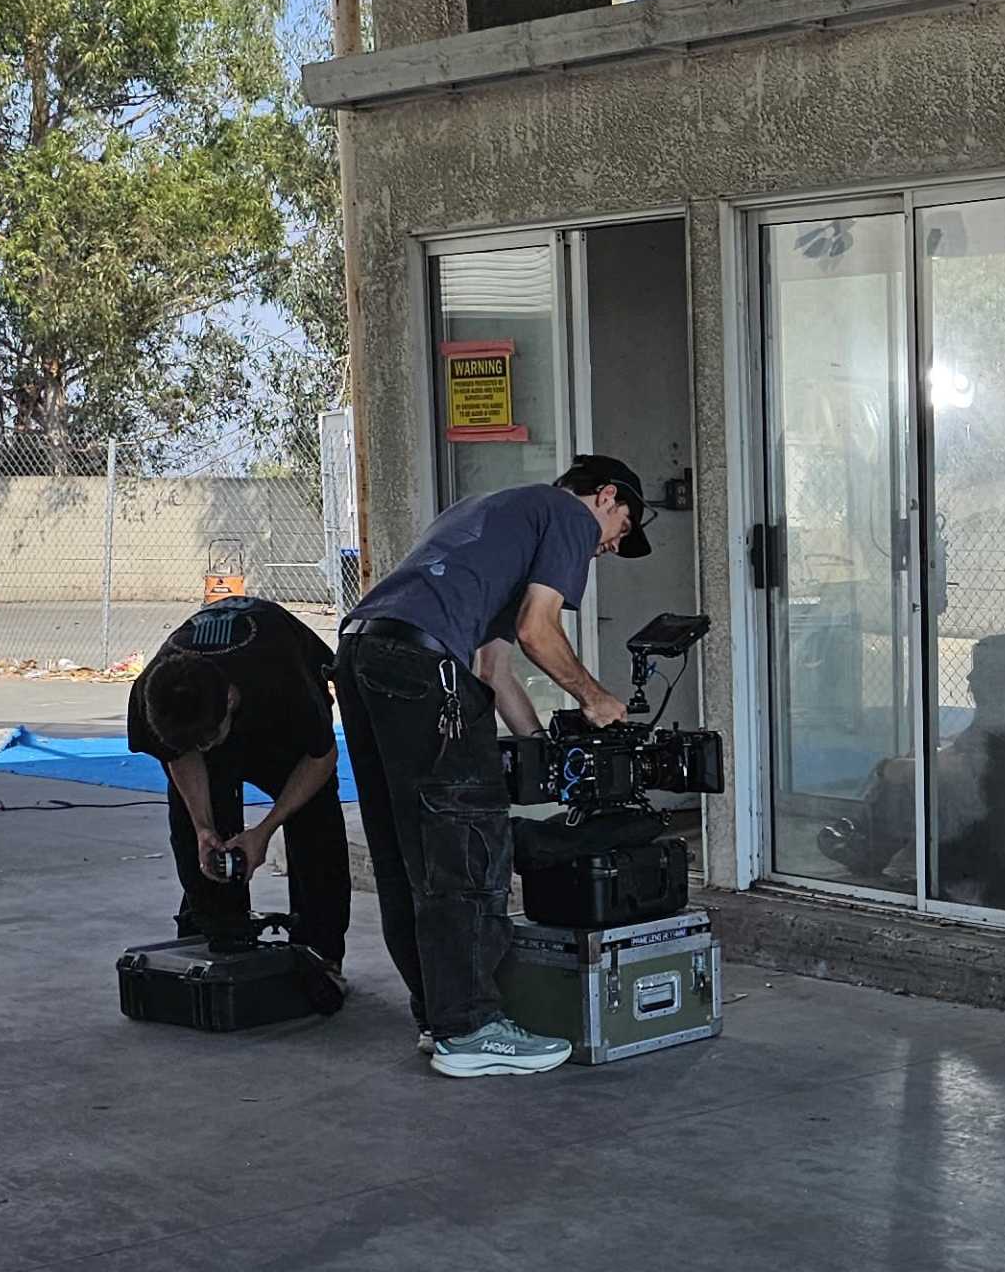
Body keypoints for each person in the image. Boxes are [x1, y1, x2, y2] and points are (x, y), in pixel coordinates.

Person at [334, 453, 652, 1076]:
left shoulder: (498, 513)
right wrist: (596, 698)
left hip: (364, 656)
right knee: (469, 851)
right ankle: (473, 1027)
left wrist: (547, 754)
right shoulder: (566, 515)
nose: (612, 545)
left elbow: (494, 671)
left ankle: (440, 1017)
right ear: (604, 496)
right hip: (425, 669)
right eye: (623, 526)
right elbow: (540, 631)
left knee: (411, 855)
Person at [127, 595, 349, 988]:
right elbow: (179, 756)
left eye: (208, 740)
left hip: (282, 728)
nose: (204, 750)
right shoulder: (152, 691)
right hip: (214, 706)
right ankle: (215, 930)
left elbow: (322, 757)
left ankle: (321, 954)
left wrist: (264, 832)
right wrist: (202, 826)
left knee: (315, 824)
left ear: (230, 700)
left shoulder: (282, 682)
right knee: (196, 829)